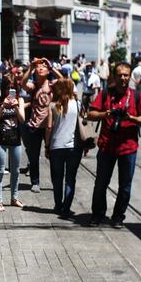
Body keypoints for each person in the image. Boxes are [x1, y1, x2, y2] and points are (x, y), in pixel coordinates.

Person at [87, 62, 141, 228]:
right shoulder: (106, 93)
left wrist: (131, 118)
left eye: (126, 75)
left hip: (128, 148)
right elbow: (90, 114)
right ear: (114, 77)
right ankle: (98, 214)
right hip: (107, 146)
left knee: (125, 187)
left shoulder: (137, 96)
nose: (123, 78)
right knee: (101, 183)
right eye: (120, 75)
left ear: (130, 77)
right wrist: (105, 113)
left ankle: (118, 216)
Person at [21, 58, 62, 193]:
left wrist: (52, 67)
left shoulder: (52, 85)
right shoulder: (33, 86)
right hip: (34, 126)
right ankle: (35, 182)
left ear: (48, 71)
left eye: (43, 66)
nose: (40, 68)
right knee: (33, 157)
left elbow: (64, 81)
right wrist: (30, 68)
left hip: (49, 127)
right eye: (38, 66)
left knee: (53, 156)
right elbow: (22, 83)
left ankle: (55, 182)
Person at [45, 78, 82, 218]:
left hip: (56, 146)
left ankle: (58, 205)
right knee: (70, 178)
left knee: (57, 178)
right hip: (74, 146)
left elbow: (49, 127)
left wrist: (47, 145)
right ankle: (66, 208)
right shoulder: (78, 104)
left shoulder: (53, 105)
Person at [0, 76, 24, 211]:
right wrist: (3, 106)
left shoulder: (20, 100)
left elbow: (22, 119)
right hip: (0, 140)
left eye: (13, 87)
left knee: (15, 170)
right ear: (3, 87)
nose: (10, 90)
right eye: (8, 87)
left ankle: (14, 198)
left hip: (15, 140)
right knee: (0, 170)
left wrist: (16, 107)